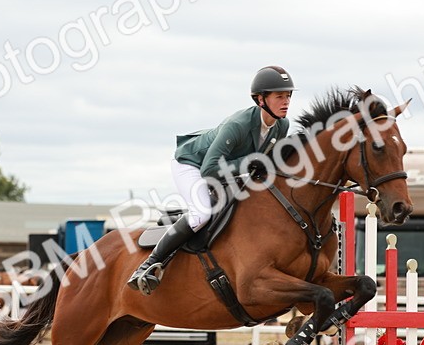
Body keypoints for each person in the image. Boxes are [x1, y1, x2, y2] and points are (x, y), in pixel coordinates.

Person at [126, 65, 296, 295]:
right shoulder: (238, 124)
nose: (286, 101)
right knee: (202, 214)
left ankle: (180, 219)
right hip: (192, 164)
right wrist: (250, 161)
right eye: (279, 96)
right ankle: (147, 266)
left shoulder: (281, 126)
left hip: (225, 170)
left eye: (288, 96)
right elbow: (210, 170)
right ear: (261, 99)